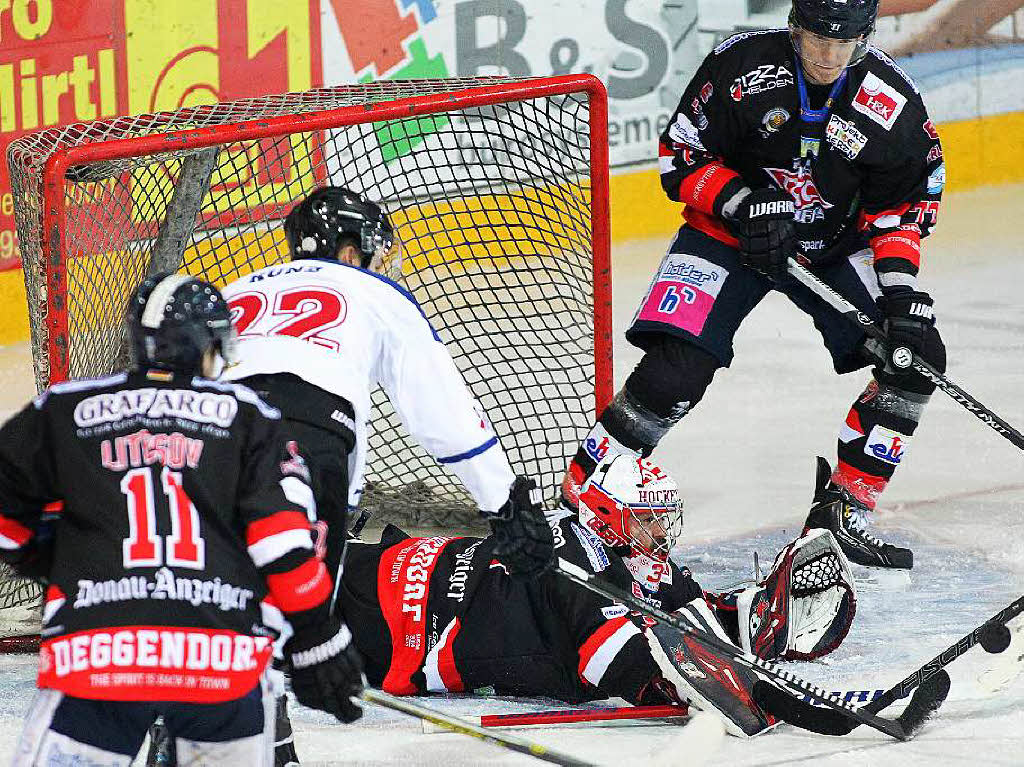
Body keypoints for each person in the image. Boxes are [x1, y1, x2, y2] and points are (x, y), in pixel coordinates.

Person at [561, 0, 945, 571]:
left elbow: (903, 205)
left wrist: (900, 289)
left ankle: (844, 510)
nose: (829, 57)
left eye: (845, 44)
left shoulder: (891, 104)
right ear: (795, 28)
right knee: (676, 369)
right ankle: (582, 500)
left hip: (832, 249)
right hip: (727, 238)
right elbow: (680, 158)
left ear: (867, 37)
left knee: (914, 359)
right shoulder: (741, 67)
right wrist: (745, 203)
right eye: (817, 40)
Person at [219, 186, 554, 764]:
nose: (382, 262)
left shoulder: (234, 290)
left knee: (203, 603)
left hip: (191, 436)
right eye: (373, 250)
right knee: (282, 616)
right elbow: (444, 416)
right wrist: (506, 506)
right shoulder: (374, 293)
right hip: (300, 435)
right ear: (348, 252)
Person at [2, 274, 363, 766]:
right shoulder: (249, 415)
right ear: (206, 346)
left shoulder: (65, 408)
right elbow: (281, 546)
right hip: (222, 662)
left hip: (99, 656)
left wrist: (44, 555)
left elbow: (6, 513)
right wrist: (318, 636)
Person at [337, 454, 856, 737]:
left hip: (394, 575)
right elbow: (622, 653)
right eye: (647, 522)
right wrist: (727, 690)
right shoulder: (570, 566)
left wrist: (746, 617)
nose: (659, 535)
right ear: (609, 518)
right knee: (282, 608)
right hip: (393, 624)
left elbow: (676, 602)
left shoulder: (611, 548)